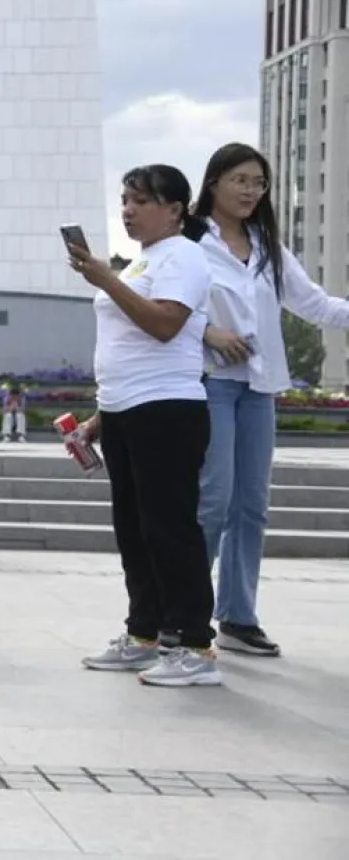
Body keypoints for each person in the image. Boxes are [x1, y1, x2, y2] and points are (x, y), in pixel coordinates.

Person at [66, 164, 221, 687]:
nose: (128, 210)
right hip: (126, 410)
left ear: (175, 210)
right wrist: (100, 417)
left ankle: (197, 646)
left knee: (170, 529)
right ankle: (144, 634)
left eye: (141, 201)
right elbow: (123, 347)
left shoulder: (186, 256)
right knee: (134, 530)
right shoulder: (141, 263)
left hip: (168, 411)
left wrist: (104, 278)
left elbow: (163, 326)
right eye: (125, 199)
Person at [192, 142, 349, 657]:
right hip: (210, 383)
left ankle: (237, 615)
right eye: (240, 179)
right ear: (214, 181)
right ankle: (187, 612)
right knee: (213, 500)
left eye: (259, 183)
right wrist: (208, 332)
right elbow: (156, 308)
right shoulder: (190, 240)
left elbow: (316, 306)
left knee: (251, 506)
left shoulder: (269, 246)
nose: (251, 190)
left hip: (259, 386)